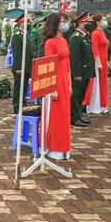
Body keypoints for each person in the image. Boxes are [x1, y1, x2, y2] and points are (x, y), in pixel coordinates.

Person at [42, 13, 72, 160]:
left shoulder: (64, 41)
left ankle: (64, 146)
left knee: (65, 115)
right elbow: (48, 66)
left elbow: (67, 64)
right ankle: (54, 147)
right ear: (55, 24)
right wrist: (52, 88)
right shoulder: (50, 43)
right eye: (63, 22)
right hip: (54, 82)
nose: (65, 24)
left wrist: (70, 83)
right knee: (56, 115)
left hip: (64, 81)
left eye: (66, 21)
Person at [68, 12, 95, 127]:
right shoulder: (76, 38)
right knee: (76, 95)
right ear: (81, 24)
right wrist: (76, 73)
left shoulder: (84, 36)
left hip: (86, 71)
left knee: (81, 95)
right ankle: (74, 117)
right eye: (87, 22)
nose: (90, 24)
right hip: (80, 72)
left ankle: (78, 115)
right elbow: (75, 58)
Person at [86, 14, 110, 113]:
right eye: (103, 20)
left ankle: (103, 104)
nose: (105, 22)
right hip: (98, 60)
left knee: (103, 82)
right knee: (97, 83)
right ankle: (95, 105)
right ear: (97, 22)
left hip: (104, 59)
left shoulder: (102, 32)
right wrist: (99, 62)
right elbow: (95, 49)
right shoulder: (95, 33)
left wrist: (106, 61)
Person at [10, 14, 32, 114]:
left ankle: (23, 103)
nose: (29, 23)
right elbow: (17, 53)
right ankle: (17, 106)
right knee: (19, 87)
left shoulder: (25, 34)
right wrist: (18, 67)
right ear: (21, 23)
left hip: (26, 65)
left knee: (24, 86)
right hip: (20, 66)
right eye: (26, 22)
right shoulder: (17, 36)